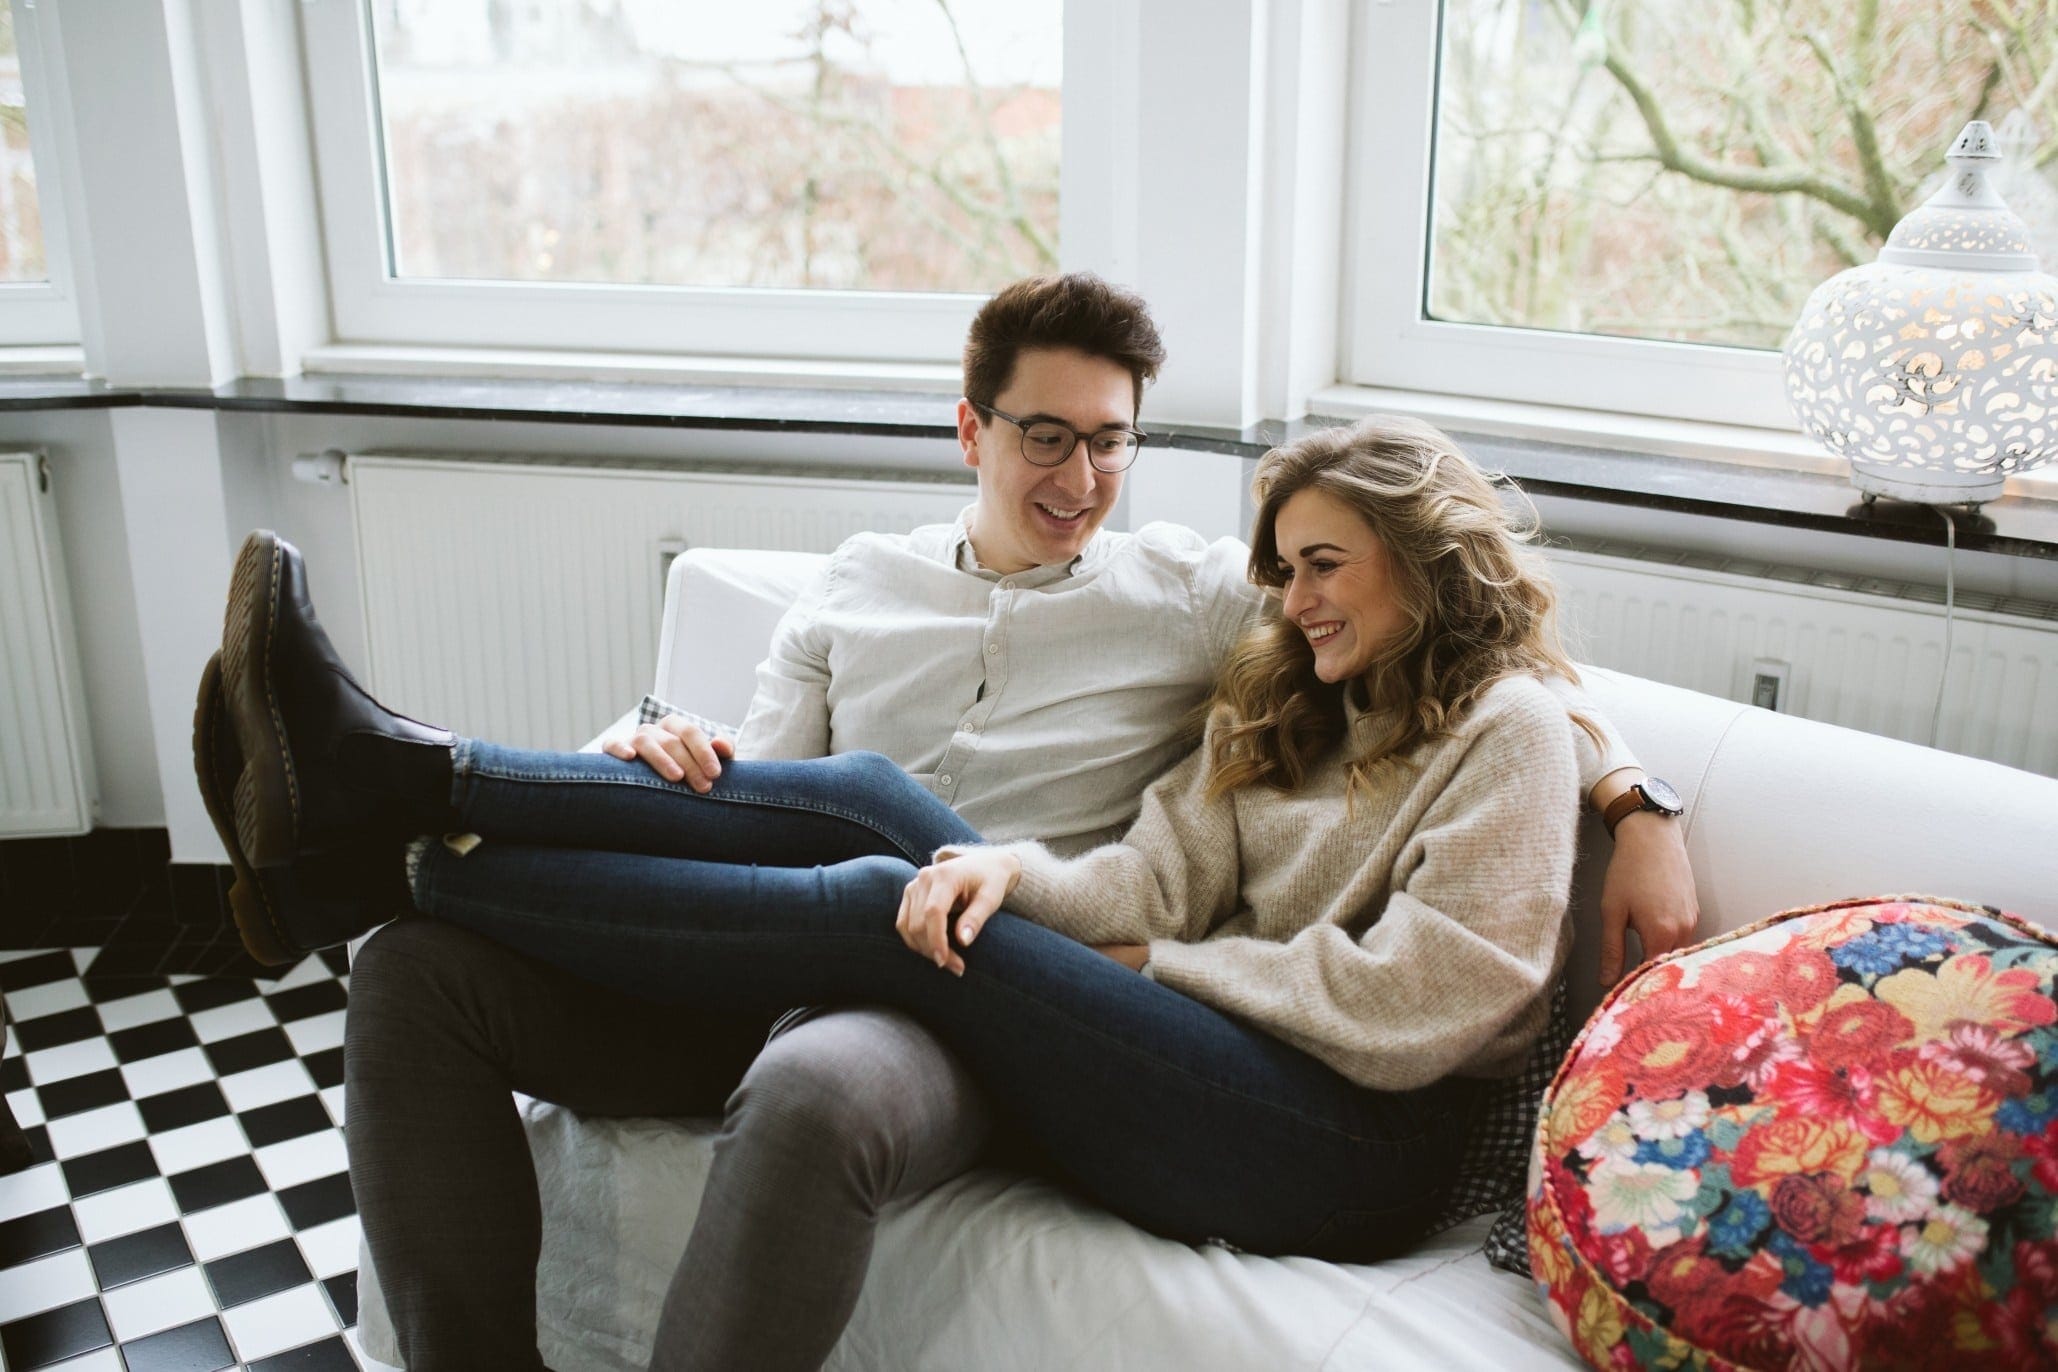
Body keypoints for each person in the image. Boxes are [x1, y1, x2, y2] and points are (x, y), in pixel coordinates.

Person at [197, 275, 1695, 1370]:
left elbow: (1498, 687)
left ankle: (391, 796)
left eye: (1112, 442)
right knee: (413, 968)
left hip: (1131, 1053)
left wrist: (1632, 791)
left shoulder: (1212, 604)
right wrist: (668, 756)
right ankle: (384, 863)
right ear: (968, 429)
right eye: (1048, 438)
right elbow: (828, 811)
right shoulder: (1253, 691)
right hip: (848, 937)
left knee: (873, 875)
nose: (1085, 476)